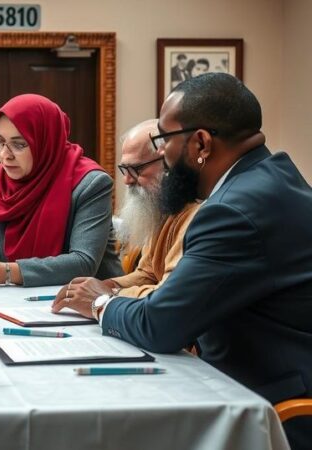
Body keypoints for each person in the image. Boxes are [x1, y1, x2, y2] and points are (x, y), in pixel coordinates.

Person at [53, 73, 312, 448]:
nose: (163, 156)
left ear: (201, 143)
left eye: (163, 139)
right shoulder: (272, 178)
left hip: (269, 404)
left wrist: (99, 303)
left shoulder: (232, 212)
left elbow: (160, 323)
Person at [0, 94, 121, 287]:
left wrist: (4, 272)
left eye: (19, 144)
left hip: (90, 304)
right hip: (18, 302)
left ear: (45, 142)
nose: (5, 155)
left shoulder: (91, 183)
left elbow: (83, 263)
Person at [60, 119, 200, 299]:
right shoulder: (161, 206)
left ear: (167, 160)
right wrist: (104, 285)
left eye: (135, 169)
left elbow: (167, 294)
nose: (127, 180)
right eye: (124, 169)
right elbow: (147, 274)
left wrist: (109, 294)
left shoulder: (196, 213)